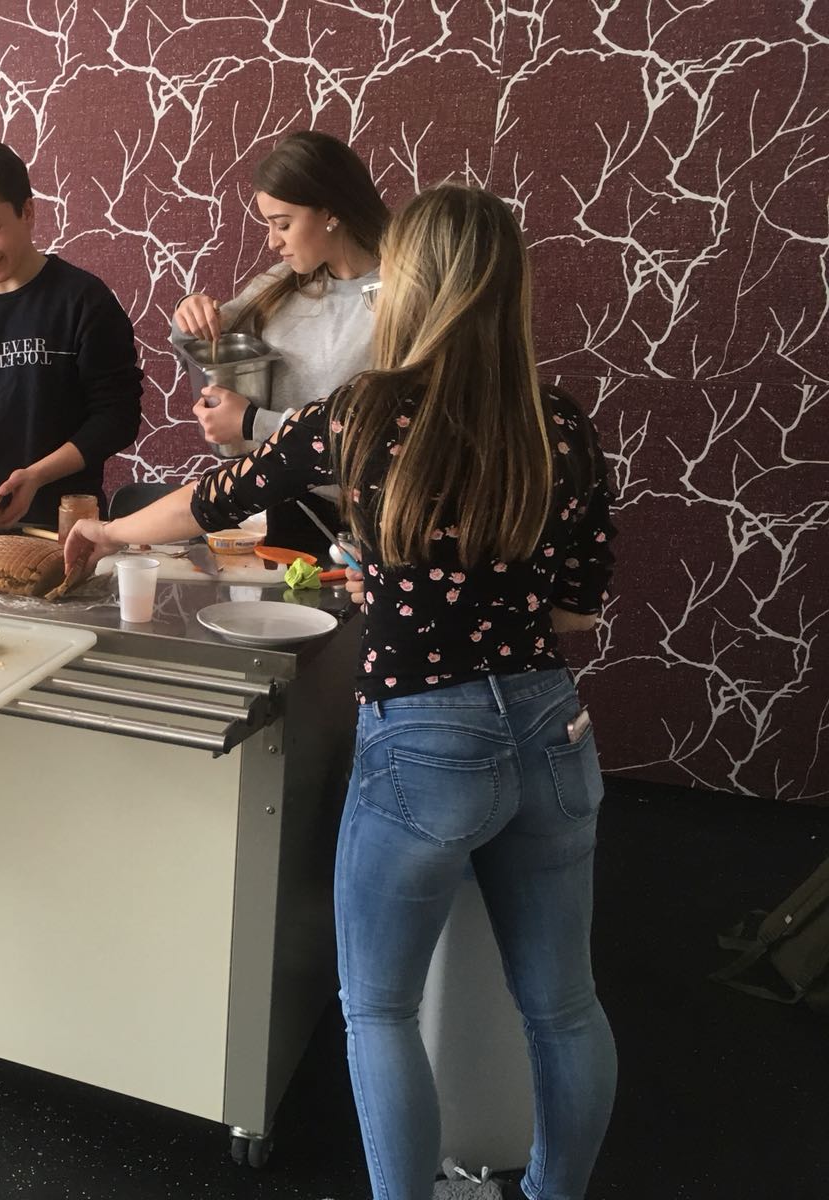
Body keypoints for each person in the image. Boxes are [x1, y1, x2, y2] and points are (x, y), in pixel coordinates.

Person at [66, 183, 618, 1200]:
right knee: (564, 1009)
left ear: (411, 287)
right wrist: (433, 584)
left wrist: (105, 532)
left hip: (425, 733)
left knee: (381, 1010)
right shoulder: (562, 424)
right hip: (551, 726)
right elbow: (574, 615)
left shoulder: (366, 411)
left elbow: (213, 497)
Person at [0, 141, 143, 527]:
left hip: (62, 523)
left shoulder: (82, 299)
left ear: (28, 212)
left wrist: (37, 476)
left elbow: (118, 418)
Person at [173, 128, 387, 453]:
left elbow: (379, 436)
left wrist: (255, 423)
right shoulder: (280, 284)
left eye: (283, 224)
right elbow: (194, 349)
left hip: (334, 485)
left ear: (331, 212)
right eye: (269, 225)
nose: (273, 242)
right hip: (261, 477)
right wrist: (189, 311)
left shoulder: (396, 299)